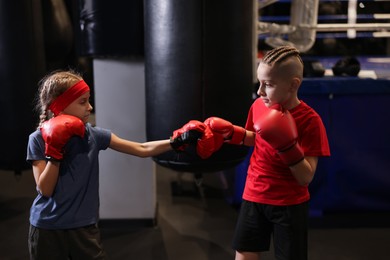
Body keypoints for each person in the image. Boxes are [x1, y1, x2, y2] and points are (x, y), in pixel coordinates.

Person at [26, 70, 205, 260]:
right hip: (47, 228)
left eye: (89, 99)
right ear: (59, 106)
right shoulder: (37, 140)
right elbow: (45, 189)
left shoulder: (92, 135)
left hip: (84, 227)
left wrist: (175, 142)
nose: (89, 107)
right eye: (82, 102)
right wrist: (54, 152)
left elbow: (142, 148)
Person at [198, 46, 331, 260]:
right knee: (244, 254)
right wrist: (230, 133)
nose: (260, 91)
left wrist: (287, 146)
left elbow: (306, 177)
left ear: (293, 85)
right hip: (254, 193)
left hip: (289, 203)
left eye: (268, 84)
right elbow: (255, 137)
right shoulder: (259, 105)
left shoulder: (310, 121)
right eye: (259, 82)